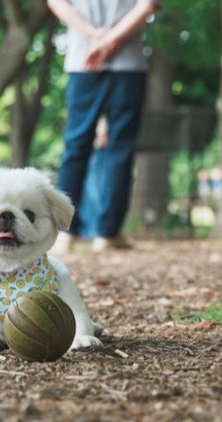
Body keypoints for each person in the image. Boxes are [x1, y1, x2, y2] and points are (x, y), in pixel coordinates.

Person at [48, 0, 161, 253]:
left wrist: (94, 36)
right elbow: (146, 6)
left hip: (82, 60)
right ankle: (107, 235)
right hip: (129, 64)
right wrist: (112, 39)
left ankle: (66, 233)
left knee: (75, 148)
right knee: (120, 149)